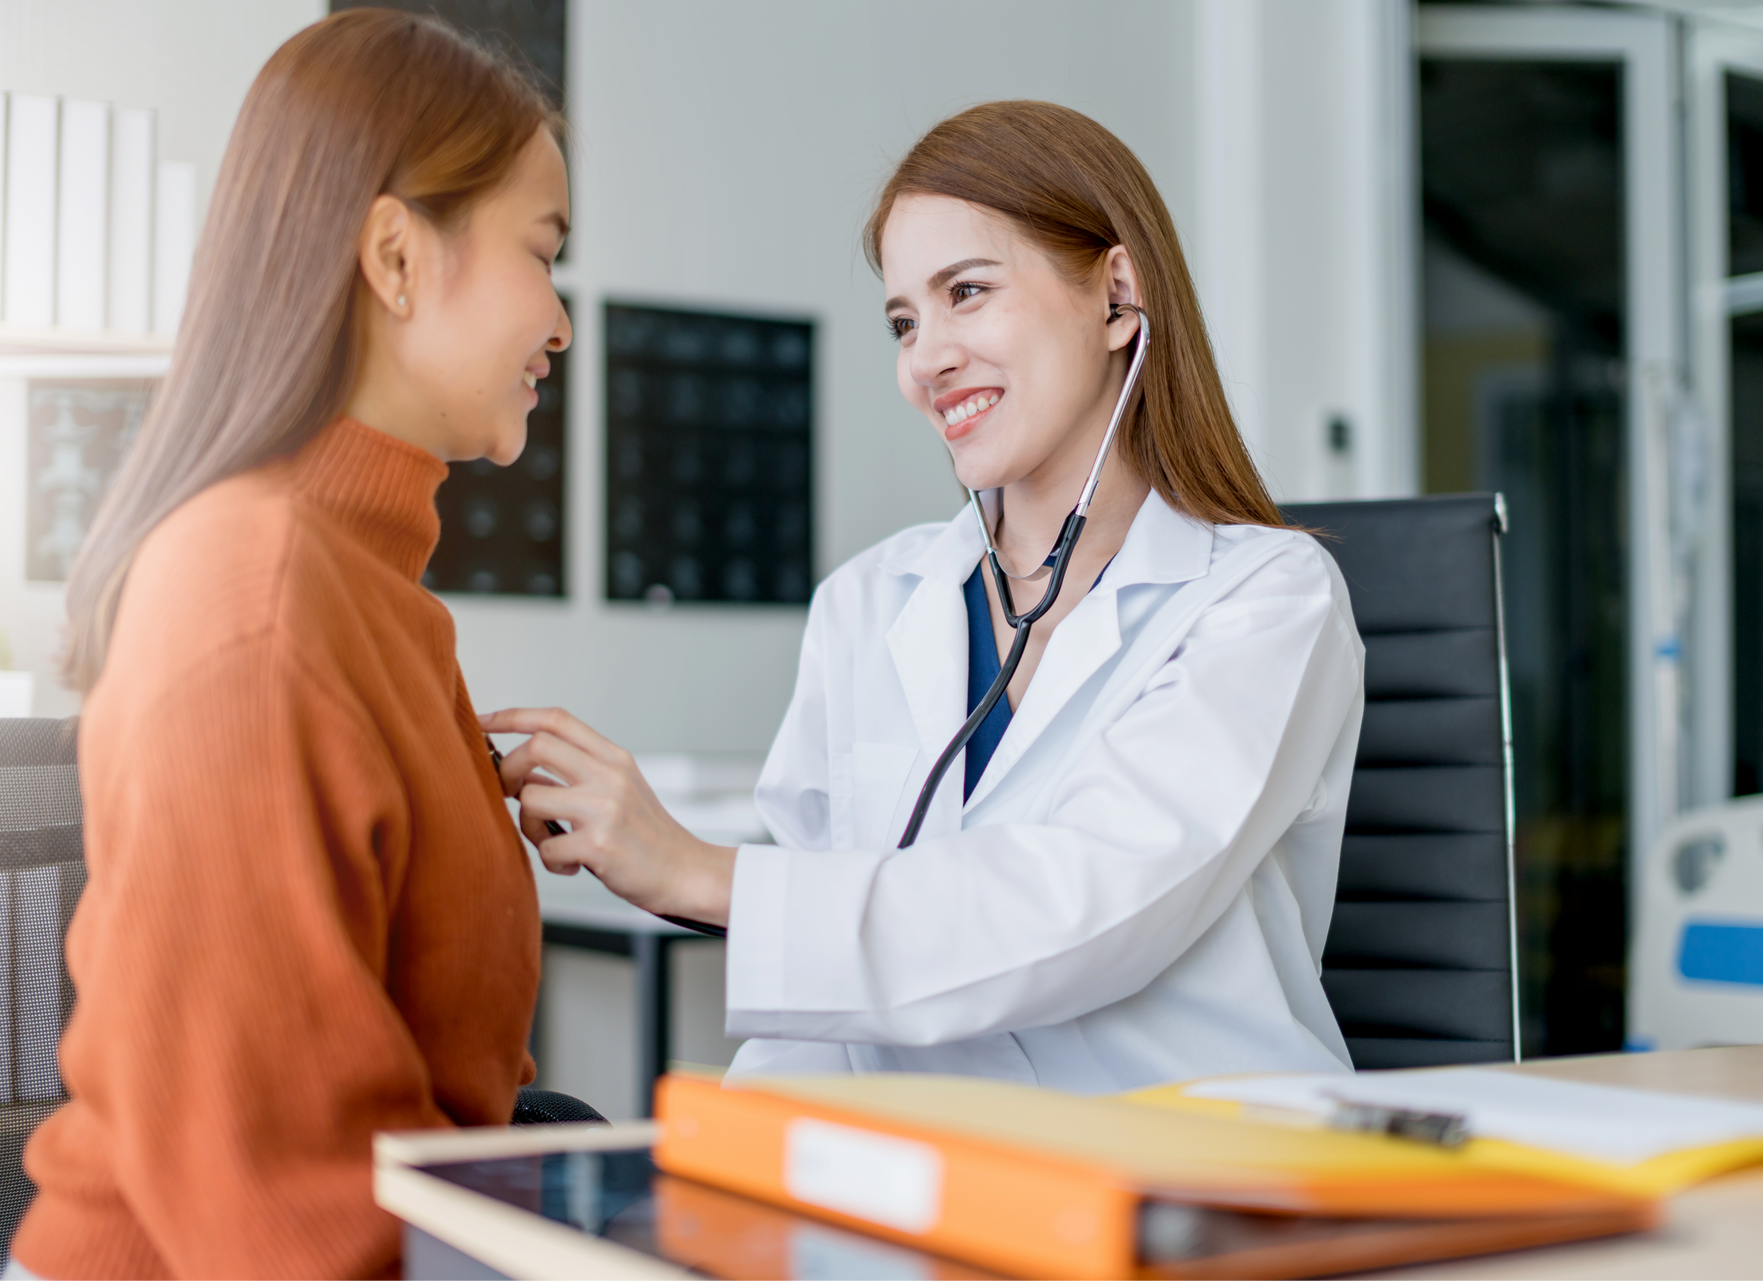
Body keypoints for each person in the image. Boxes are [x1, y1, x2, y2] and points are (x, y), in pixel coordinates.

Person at [486, 101, 1363, 1092]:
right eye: (905, 320)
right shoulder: (869, 603)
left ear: (1118, 297)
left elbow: (1082, 910)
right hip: (934, 1183)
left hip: (1194, 1178)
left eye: (968, 292)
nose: (925, 359)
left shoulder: (1263, 602)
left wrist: (695, 869)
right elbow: (818, 1003)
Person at [14, 11, 570, 1280]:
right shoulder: (250, 594)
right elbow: (282, 1220)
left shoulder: (369, 582)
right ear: (395, 254)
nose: (562, 321)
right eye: (544, 255)